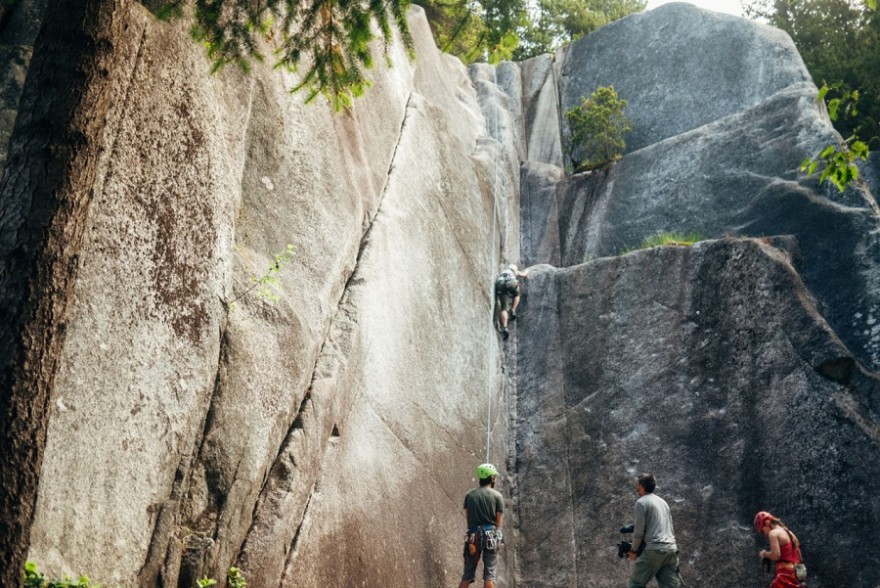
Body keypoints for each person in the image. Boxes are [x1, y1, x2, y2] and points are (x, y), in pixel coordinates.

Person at [627, 473, 682, 588]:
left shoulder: (641, 502)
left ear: (641, 486)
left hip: (653, 551)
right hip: (671, 551)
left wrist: (633, 551)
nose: (636, 487)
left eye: (638, 485)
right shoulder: (663, 503)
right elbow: (669, 527)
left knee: (635, 583)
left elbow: (639, 533)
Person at [459, 463, 504, 588]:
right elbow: (498, 521)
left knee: (467, 575)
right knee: (489, 574)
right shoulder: (497, 496)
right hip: (491, 534)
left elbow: (468, 517)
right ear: (492, 478)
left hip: (473, 535)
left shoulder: (470, 495)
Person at [754, 511, 806, 587]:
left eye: (762, 531)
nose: (764, 534)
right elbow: (799, 556)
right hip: (795, 575)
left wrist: (765, 553)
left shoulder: (773, 533)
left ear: (767, 522)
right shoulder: (789, 532)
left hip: (784, 576)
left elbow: (776, 555)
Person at [494, 264, 528, 340]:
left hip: (500, 283)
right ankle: (513, 309)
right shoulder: (514, 272)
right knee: (517, 293)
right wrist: (527, 271)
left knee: (504, 308)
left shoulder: (503, 272)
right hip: (511, 281)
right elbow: (524, 275)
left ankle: (505, 327)